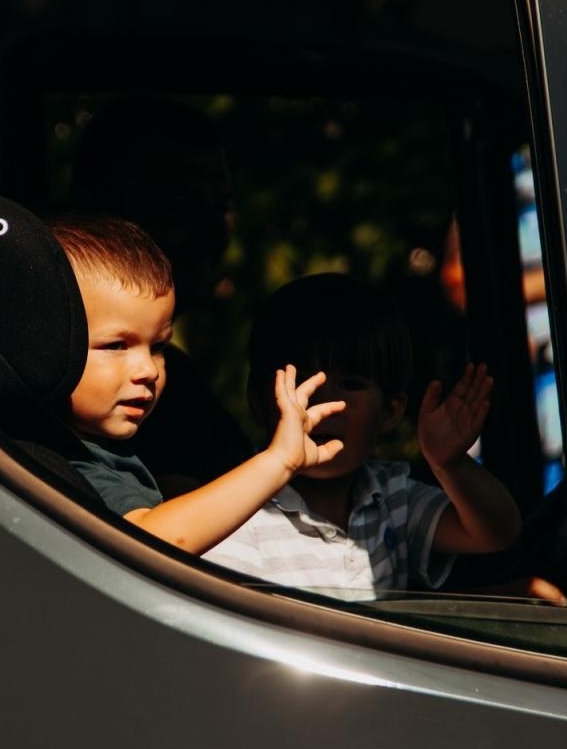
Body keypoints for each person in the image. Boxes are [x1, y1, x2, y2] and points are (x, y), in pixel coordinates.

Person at [203, 273, 563, 603]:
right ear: (259, 401)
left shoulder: (392, 497)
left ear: (389, 411)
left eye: (351, 385)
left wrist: (450, 464)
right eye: (304, 382)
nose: (327, 403)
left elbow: (496, 533)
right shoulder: (240, 510)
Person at [49, 214, 346, 555]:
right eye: (116, 346)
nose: (148, 369)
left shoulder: (100, 451)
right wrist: (279, 462)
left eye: (159, 346)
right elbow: (145, 544)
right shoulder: (63, 459)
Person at [70, 97, 252, 495]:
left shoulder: (174, 387)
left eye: (220, 208)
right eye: (180, 207)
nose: (213, 232)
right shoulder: (73, 446)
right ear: (105, 213)